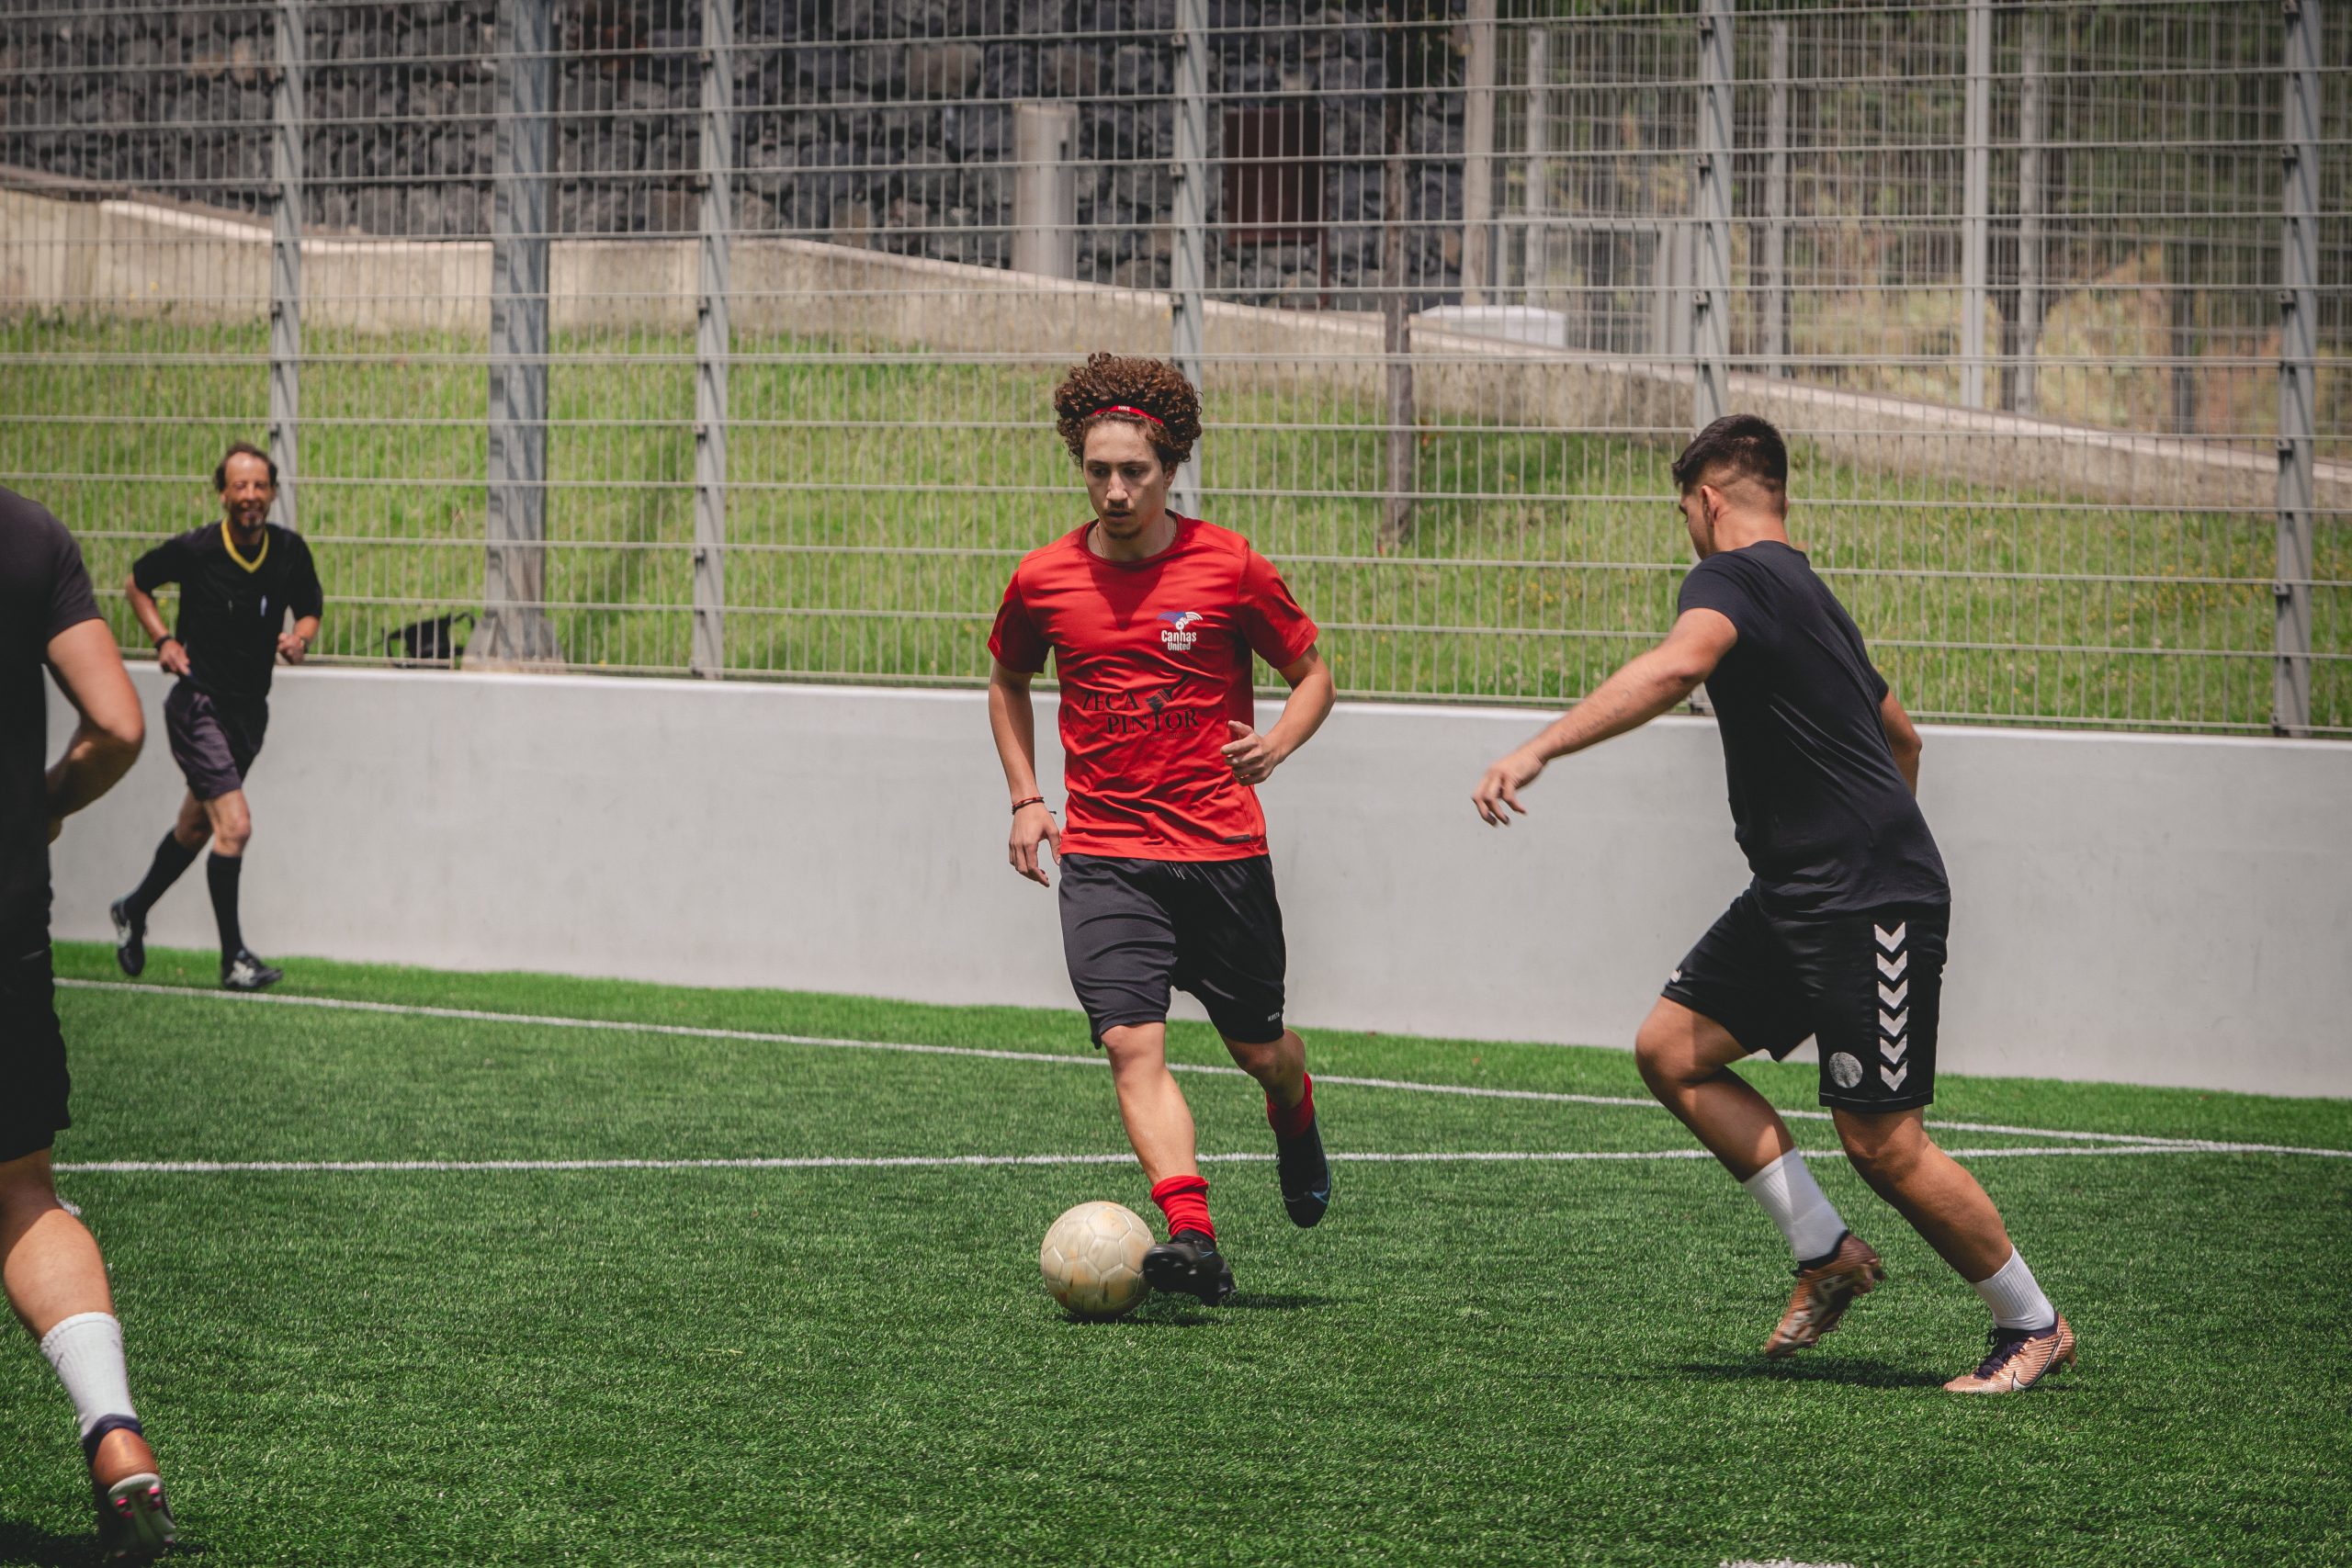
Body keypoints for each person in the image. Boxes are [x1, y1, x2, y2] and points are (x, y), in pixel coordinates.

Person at [1469, 414, 2073, 1393]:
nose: (1687, 531)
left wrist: (1538, 746)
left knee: (1882, 1139)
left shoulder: (1730, 579)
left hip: (1859, 900)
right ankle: (1825, 1253)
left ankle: (2031, 1322)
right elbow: (1903, 741)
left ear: (1708, 499)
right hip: (1805, 891)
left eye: (1684, 512)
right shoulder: (1815, 600)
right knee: (1672, 1049)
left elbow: (1678, 664)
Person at [987, 353, 1337, 1305]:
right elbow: (1009, 681)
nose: (1113, 490)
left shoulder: (1229, 566)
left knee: (1259, 1050)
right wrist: (1026, 796)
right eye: (1096, 470)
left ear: (1170, 467)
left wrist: (1278, 744)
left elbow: (1315, 677)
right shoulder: (1044, 579)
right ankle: (1192, 1232)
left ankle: (1293, 1109)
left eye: (1132, 471)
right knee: (1130, 1044)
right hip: (1104, 856)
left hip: (1221, 849)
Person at [2, 484, 180, 1557]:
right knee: (21, 1190)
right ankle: (116, 1434)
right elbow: (116, 725)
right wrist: (41, 807)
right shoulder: (30, 537)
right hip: (7, 910)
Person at [111, 443, 322, 991]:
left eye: (259, 486)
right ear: (223, 493)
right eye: (239, 486)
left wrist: (299, 640)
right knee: (236, 826)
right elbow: (136, 585)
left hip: (250, 713)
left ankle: (133, 910)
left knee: (195, 826)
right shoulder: (197, 549)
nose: (250, 496)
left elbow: (311, 610)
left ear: (273, 491)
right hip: (197, 704)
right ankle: (233, 960)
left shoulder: (289, 552)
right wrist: (162, 639)